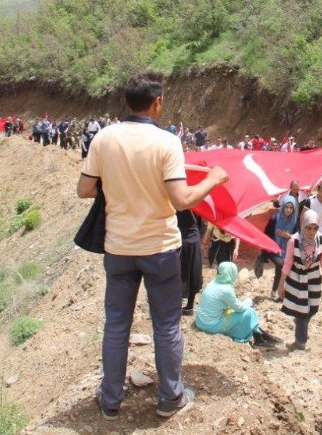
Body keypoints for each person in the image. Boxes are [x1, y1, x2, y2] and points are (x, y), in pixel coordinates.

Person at [77, 72, 228, 421]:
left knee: (116, 324)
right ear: (157, 103)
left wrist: (116, 186)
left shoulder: (104, 138)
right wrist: (213, 179)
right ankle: (170, 397)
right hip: (160, 249)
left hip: (118, 248)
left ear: (125, 102)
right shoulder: (167, 142)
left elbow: (84, 190)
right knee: (166, 325)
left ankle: (111, 401)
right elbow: (181, 199)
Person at [279, 211, 322, 350]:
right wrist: (281, 285)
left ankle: (300, 324)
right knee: (302, 311)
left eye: (315, 228)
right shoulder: (294, 241)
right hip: (297, 279)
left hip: (314, 277)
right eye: (309, 228)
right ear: (303, 226)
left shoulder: (320, 239)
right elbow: (288, 262)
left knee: (312, 309)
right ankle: (300, 341)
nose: (311, 231)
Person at [195, 262, 280, 349]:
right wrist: (249, 301)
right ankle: (259, 340)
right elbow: (240, 309)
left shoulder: (214, 282)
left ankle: (262, 335)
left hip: (200, 321)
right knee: (249, 312)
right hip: (211, 325)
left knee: (239, 311)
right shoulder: (226, 289)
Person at [270, 196, 301, 297]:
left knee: (286, 269)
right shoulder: (275, 218)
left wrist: (288, 236)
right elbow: (266, 235)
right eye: (286, 207)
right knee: (281, 265)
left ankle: (280, 292)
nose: (288, 210)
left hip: (288, 249)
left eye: (291, 208)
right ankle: (276, 290)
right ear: (282, 206)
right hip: (273, 249)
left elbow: (298, 236)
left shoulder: (295, 220)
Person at [177, 209, 204, 315]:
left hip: (181, 240)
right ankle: (189, 306)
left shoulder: (175, 203)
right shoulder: (195, 205)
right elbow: (201, 225)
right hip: (193, 239)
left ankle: (176, 305)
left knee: (178, 272)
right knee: (193, 271)